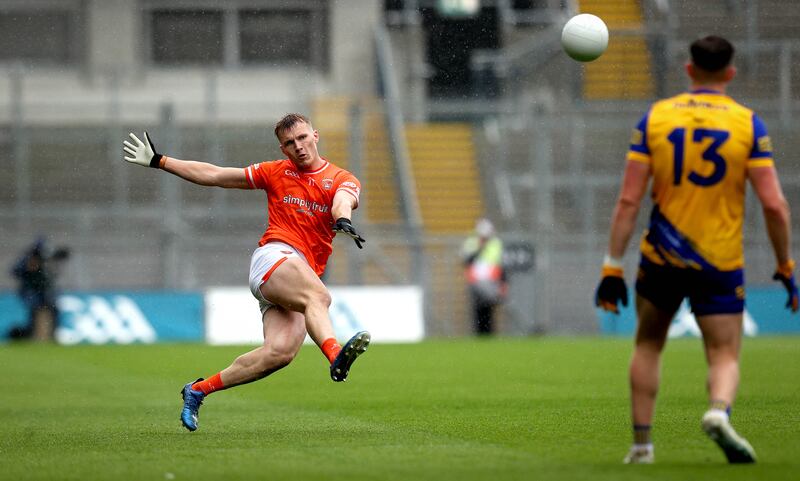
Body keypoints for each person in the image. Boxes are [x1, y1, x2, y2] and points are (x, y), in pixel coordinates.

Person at [594, 36, 798, 464]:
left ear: (689, 69)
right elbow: (774, 205)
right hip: (720, 260)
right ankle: (718, 411)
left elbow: (628, 201)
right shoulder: (748, 124)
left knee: (648, 345)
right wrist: (785, 264)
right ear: (730, 73)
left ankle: (642, 447)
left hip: (661, 255)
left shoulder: (656, 118)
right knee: (723, 354)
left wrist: (612, 267)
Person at [122, 113, 371, 432]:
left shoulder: (341, 178)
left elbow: (342, 201)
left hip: (294, 274)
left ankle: (197, 390)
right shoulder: (274, 171)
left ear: (315, 136)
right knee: (318, 296)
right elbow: (215, 174)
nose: (298, 146)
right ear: (283, 149)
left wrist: (343, 219)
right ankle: (336, 356)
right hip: (274, 257)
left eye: (302, 138)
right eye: (290, 143)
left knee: (279, 353)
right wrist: (160, 160)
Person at [9, 238, 71, 341]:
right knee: (35, 311)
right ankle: (33, 334)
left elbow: (51, 269)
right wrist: (28, 268)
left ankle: (52, 334)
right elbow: (15, 271)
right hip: (31, 291)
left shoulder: (43, 259)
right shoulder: (28, 259)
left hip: (42, 291)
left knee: (53, 310)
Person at [461, 218, 507, 335]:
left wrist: (503, 284)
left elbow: (501, 266)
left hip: (491, 283)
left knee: (489, 309)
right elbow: (467, 261)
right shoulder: (471, 243)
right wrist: (480, 248)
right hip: (476, 283)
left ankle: (488, 333)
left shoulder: (496, 244)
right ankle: (480, 334)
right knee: (478, 310)